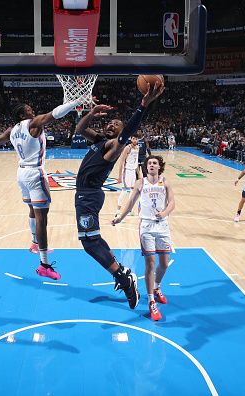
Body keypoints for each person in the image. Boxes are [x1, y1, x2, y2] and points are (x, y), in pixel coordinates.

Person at [0, 100, 79, 280]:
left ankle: (35, 243)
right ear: (21, 115)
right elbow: (55, 114)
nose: (32, 110)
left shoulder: (11, 131)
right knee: (42, 218)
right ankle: (44, 265)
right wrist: (77, 102)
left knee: (32, 211)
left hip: (21, 174)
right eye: (28, 109)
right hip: (35, 173)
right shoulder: (32, 124)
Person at [73, 82, 164, 309]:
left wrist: (143, 105)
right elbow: (79, 129)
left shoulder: (114, 146)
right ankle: (119, 273)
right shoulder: (99, 141)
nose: (111, 124)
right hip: (85, 196)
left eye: (116, 124)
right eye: (110, 122)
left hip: (89, 196)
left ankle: (124, 277)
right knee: (92, 239)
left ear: (121, 132)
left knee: (89, 243)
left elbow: (129, 130)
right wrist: (91, 113)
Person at [112, 155, 175, 321]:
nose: (152, 165)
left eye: (154, 163)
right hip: (146, 226)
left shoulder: (165, 182)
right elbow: (131, 202)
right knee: (151, 263)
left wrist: (164, 213)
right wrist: (120, 218)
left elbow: (172, 203)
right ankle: (151, 302)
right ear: (146, 167)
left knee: (164, 263)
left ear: (159, 166)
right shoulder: (141, 183)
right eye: (149, 163)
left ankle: (157, 287)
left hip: (162, 225)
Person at [116, 135, 141, 215]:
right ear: (131, 139)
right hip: (126, 171)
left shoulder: (137, 148)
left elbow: (136, 162)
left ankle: (129, 210)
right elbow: (121, 161)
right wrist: (120, 175)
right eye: (133, 138)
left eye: (136, 139)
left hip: (133, 171)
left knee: (132, 191)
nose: (135, 140)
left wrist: (139, 173)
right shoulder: (127, 148)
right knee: (124, 191)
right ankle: (118, 211)